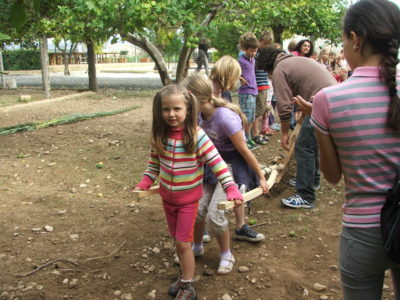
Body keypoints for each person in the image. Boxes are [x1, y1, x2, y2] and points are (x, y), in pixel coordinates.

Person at [295, 1, 400, 298]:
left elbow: (331, 175)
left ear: (356, 39)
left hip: (363, 231)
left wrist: (318, 121)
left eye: (343, 41)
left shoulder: (328, 99)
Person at [134, 84, 243, 300]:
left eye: (177, 109)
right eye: (166, 109)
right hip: (168, 199)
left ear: (188, 109)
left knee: (183, 243)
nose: (171, 114)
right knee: (177, 240)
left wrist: (230, 187)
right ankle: (185, 276)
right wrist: (146, 181)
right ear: (159, 111)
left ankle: (188, 284)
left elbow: (218, 164)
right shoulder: (159, 136)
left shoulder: (196, 136)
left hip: (188, 201)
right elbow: (153, 164)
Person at [183, 73, 268, 274]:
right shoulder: (198, 115)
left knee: (215, 213)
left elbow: (245, 151)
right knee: (197, 208)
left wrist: (261, 177)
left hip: (230, 168)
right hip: (211, 165)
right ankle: (196, 246)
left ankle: (226, 254)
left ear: (194, 97)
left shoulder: (225, 118)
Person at [256, 46, 336, 209]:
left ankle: (305, 195)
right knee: (311, 144)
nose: (270, 76)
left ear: (268, 67)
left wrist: (284, 135)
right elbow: (305, 86)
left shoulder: (280, 69)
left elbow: (284, 108)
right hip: (331, 99)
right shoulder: (294, 61)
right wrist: (302, 110)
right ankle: (311, 180)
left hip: (324, 103)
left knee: (304, 146)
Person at [237, 32, 259, 150]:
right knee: (245, 116)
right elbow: (235, 72)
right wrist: (240, 78)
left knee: (251, 116)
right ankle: (243, 138)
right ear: (245, 49)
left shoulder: (252, 60)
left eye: (255, 51)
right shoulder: (241, 59)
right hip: (245, 91)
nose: (253, 53)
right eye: (251, 51)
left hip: (253, 90)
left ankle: (248, 136)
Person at [253, 31, 274, 143]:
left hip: (264, 84)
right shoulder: (255, 54)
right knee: (258, 111)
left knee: (263, 110)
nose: (266, 46)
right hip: (258, 86)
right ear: (260, 41)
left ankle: (259, 131)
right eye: (264, 43)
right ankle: (255, 134)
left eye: (268, 44)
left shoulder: (264, 55)